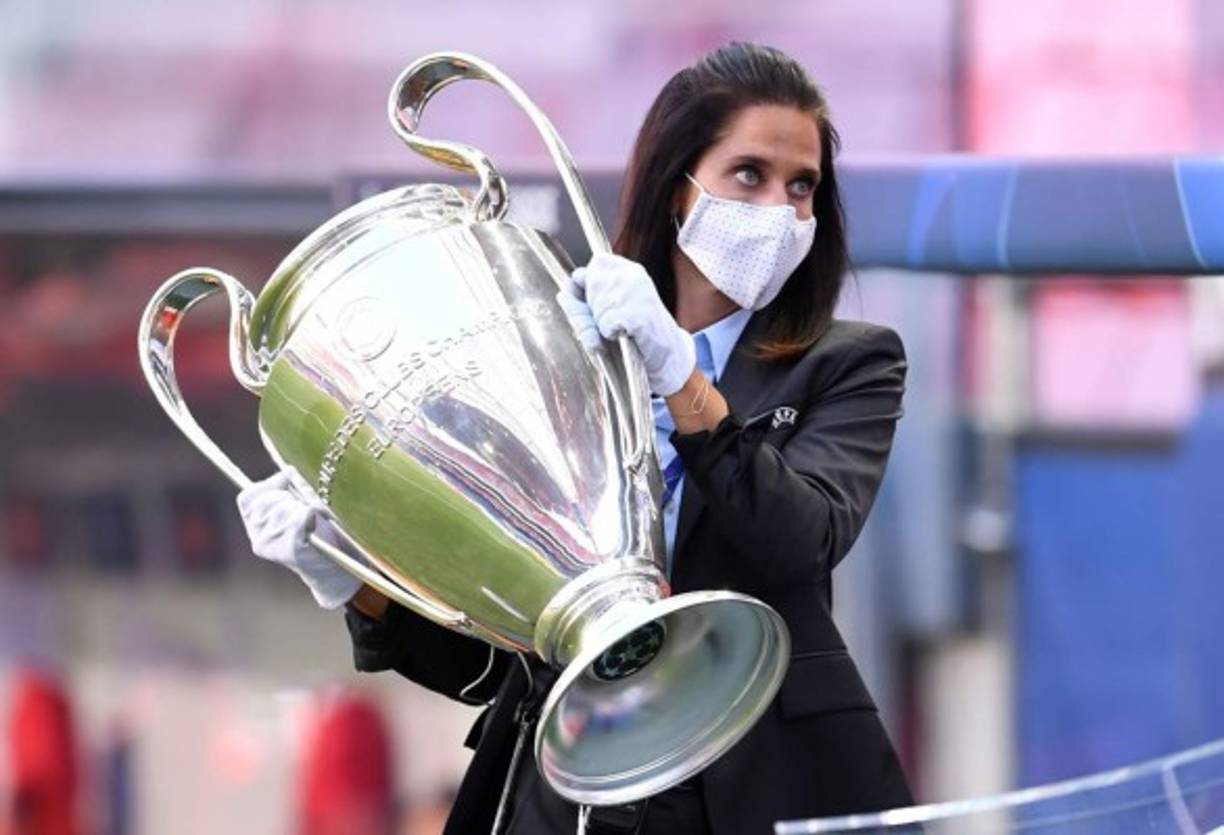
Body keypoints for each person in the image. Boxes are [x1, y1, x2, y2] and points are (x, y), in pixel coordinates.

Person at [237, 42, 913, 835]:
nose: (781, 211)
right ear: (678, 188)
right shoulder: (560, 350)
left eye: (803, 187)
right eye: (749, 174)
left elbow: (800, 540)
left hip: (754, 781)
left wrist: (681, 378)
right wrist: (352, 580)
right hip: (574, 793)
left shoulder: (852, 361)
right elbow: (500, 663)